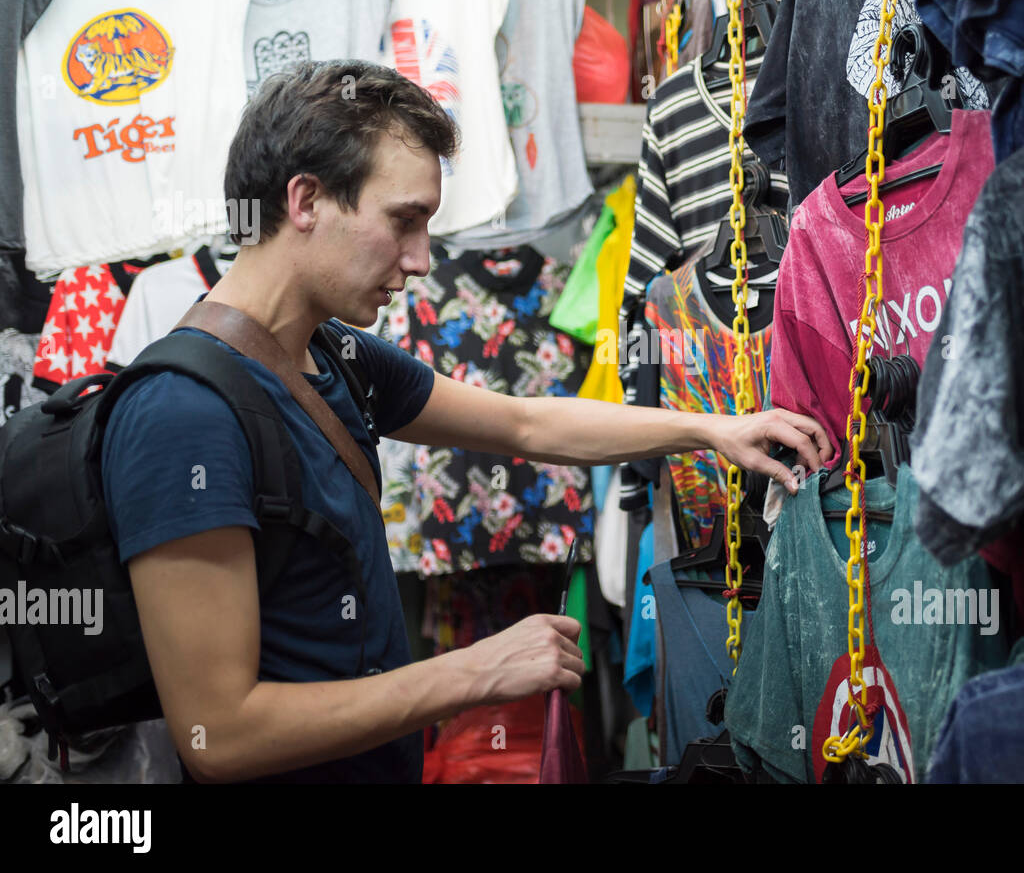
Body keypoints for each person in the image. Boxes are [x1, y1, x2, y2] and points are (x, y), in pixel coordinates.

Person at [101, 60, 832, 783]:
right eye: (404, 220)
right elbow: (217, 734)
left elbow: (524, 424)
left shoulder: (334, 355)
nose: (422, 260)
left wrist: (711, 431)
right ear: (305, 200)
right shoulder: (184, 412)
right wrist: (476, 669)